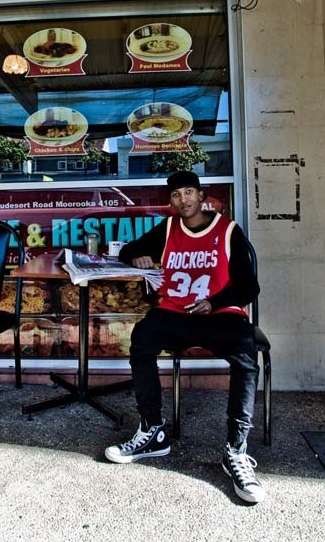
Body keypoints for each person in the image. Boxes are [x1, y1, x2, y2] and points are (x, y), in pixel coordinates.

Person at [103, 170, 264, 503]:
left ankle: (236, 450)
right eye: (176, 195)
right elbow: (127, 249)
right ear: (171, 201)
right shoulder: (168, 228)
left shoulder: (228, 230)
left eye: (189, 193)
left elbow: (250, 287)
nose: (183, 200)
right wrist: (137, 255)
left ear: (201, 196)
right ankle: (152, 431)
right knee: (142, 337)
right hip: (175, 312)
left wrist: (214, 301)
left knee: (246, 355)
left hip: (219, 314)